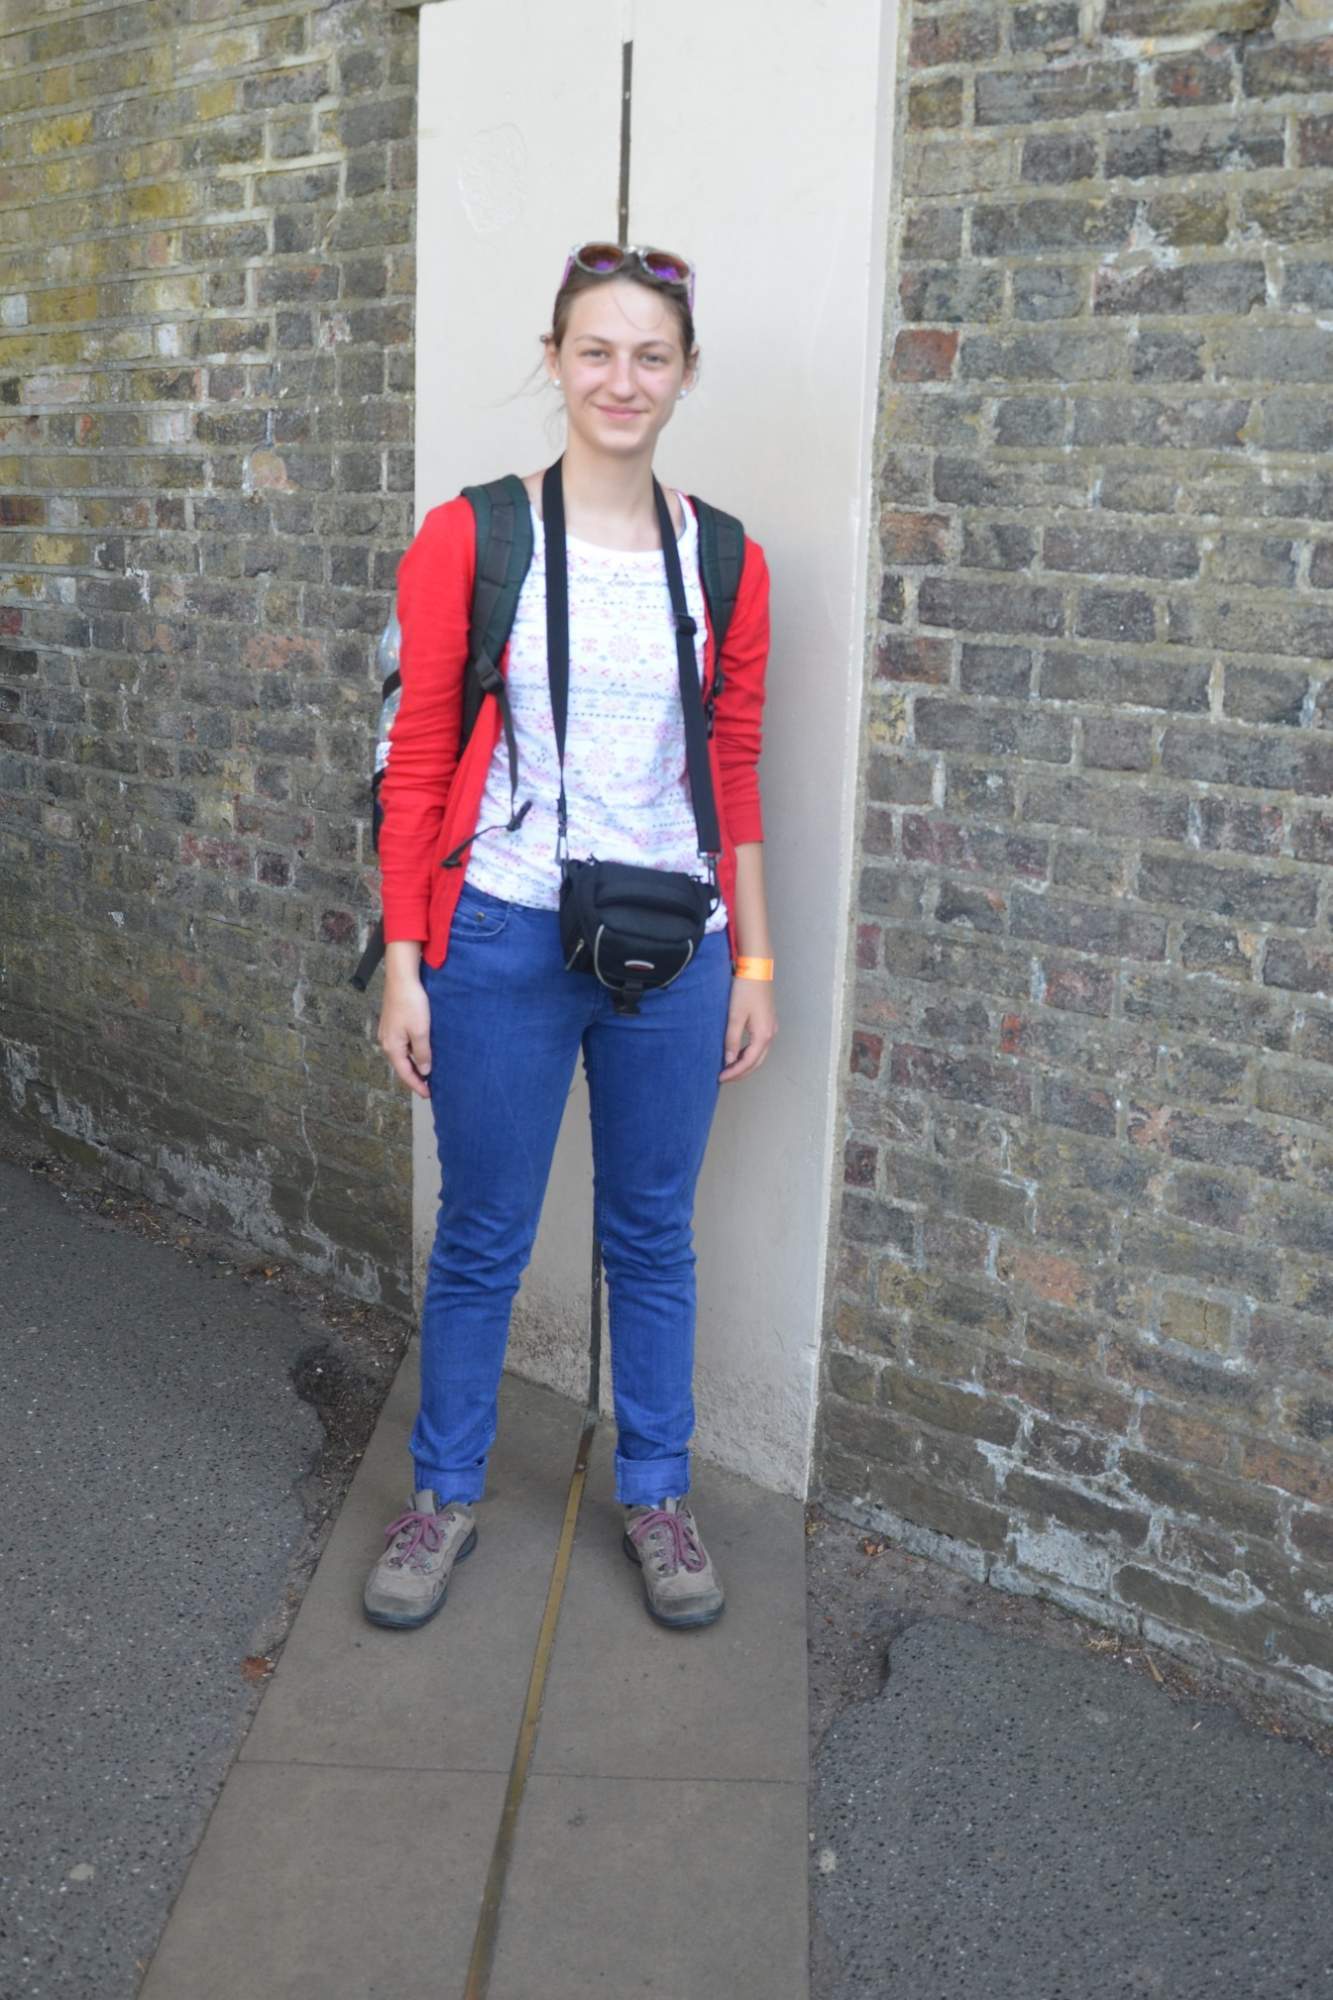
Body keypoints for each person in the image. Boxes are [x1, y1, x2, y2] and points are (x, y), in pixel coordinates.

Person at [362, 242, 775, 1635]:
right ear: (553, 361)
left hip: (676, 949)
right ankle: (442, 1496)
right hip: (500, 940)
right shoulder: (472, 537)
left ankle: (657, 1493)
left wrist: (755, 961)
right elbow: (416, 760)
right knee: (482, 1234)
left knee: (652, 1235)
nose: (621, 378)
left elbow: (733, 767)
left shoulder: (724, 557)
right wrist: (405, 966)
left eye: (650, 355)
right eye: (595, 350)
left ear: (685, 374)